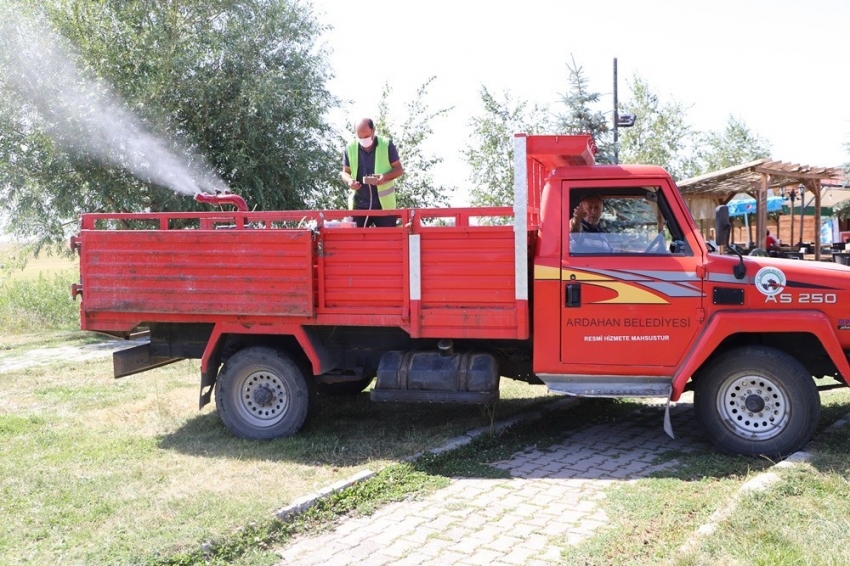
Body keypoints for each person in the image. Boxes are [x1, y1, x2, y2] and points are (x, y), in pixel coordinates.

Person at [340, 118, 404, 227]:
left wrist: (384, 177)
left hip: (384, 206)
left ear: (373, 131)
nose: (364, 140)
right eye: (360, 137)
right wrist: (350, 181)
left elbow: (399, 170)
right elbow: (345, 172)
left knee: (388, 242)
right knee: (354, 242)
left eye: (366, 136)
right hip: (358, 206)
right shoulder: (350, 148)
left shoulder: (386, 144)